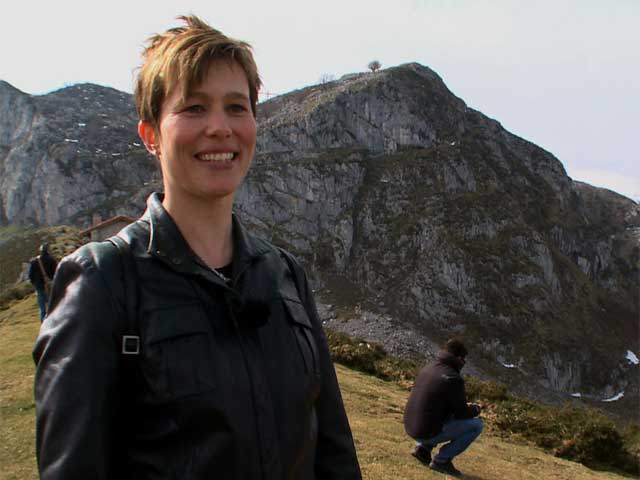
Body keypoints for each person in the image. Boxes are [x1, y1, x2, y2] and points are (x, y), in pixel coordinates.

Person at [33, 15, 361, 480]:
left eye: (236, 107)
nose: (220, 127)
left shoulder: (286, 275)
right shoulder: (102, 282)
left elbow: (333, 452)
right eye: (193, 108)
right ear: (151, 135)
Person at [403, 338, 483, 477]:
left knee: (435, 413)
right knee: (476, 425)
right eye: (464, 359)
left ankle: (422, 450)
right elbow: (461, 413)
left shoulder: (429, 368)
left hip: (410, 427)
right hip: (425, 432)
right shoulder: (453, 378)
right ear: (459, 358)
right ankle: (442, 461)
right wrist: (476, 409)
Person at [27, 243, 57, 320]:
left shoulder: (34, 261)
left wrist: (35, 284)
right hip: (49, 285)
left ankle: (43, 322)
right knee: (52, 306)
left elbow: (30, 276)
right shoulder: (51, 260)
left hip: (39, 287)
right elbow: (56, 273)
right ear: (48, 251)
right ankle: (53, 322)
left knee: (42, 308)